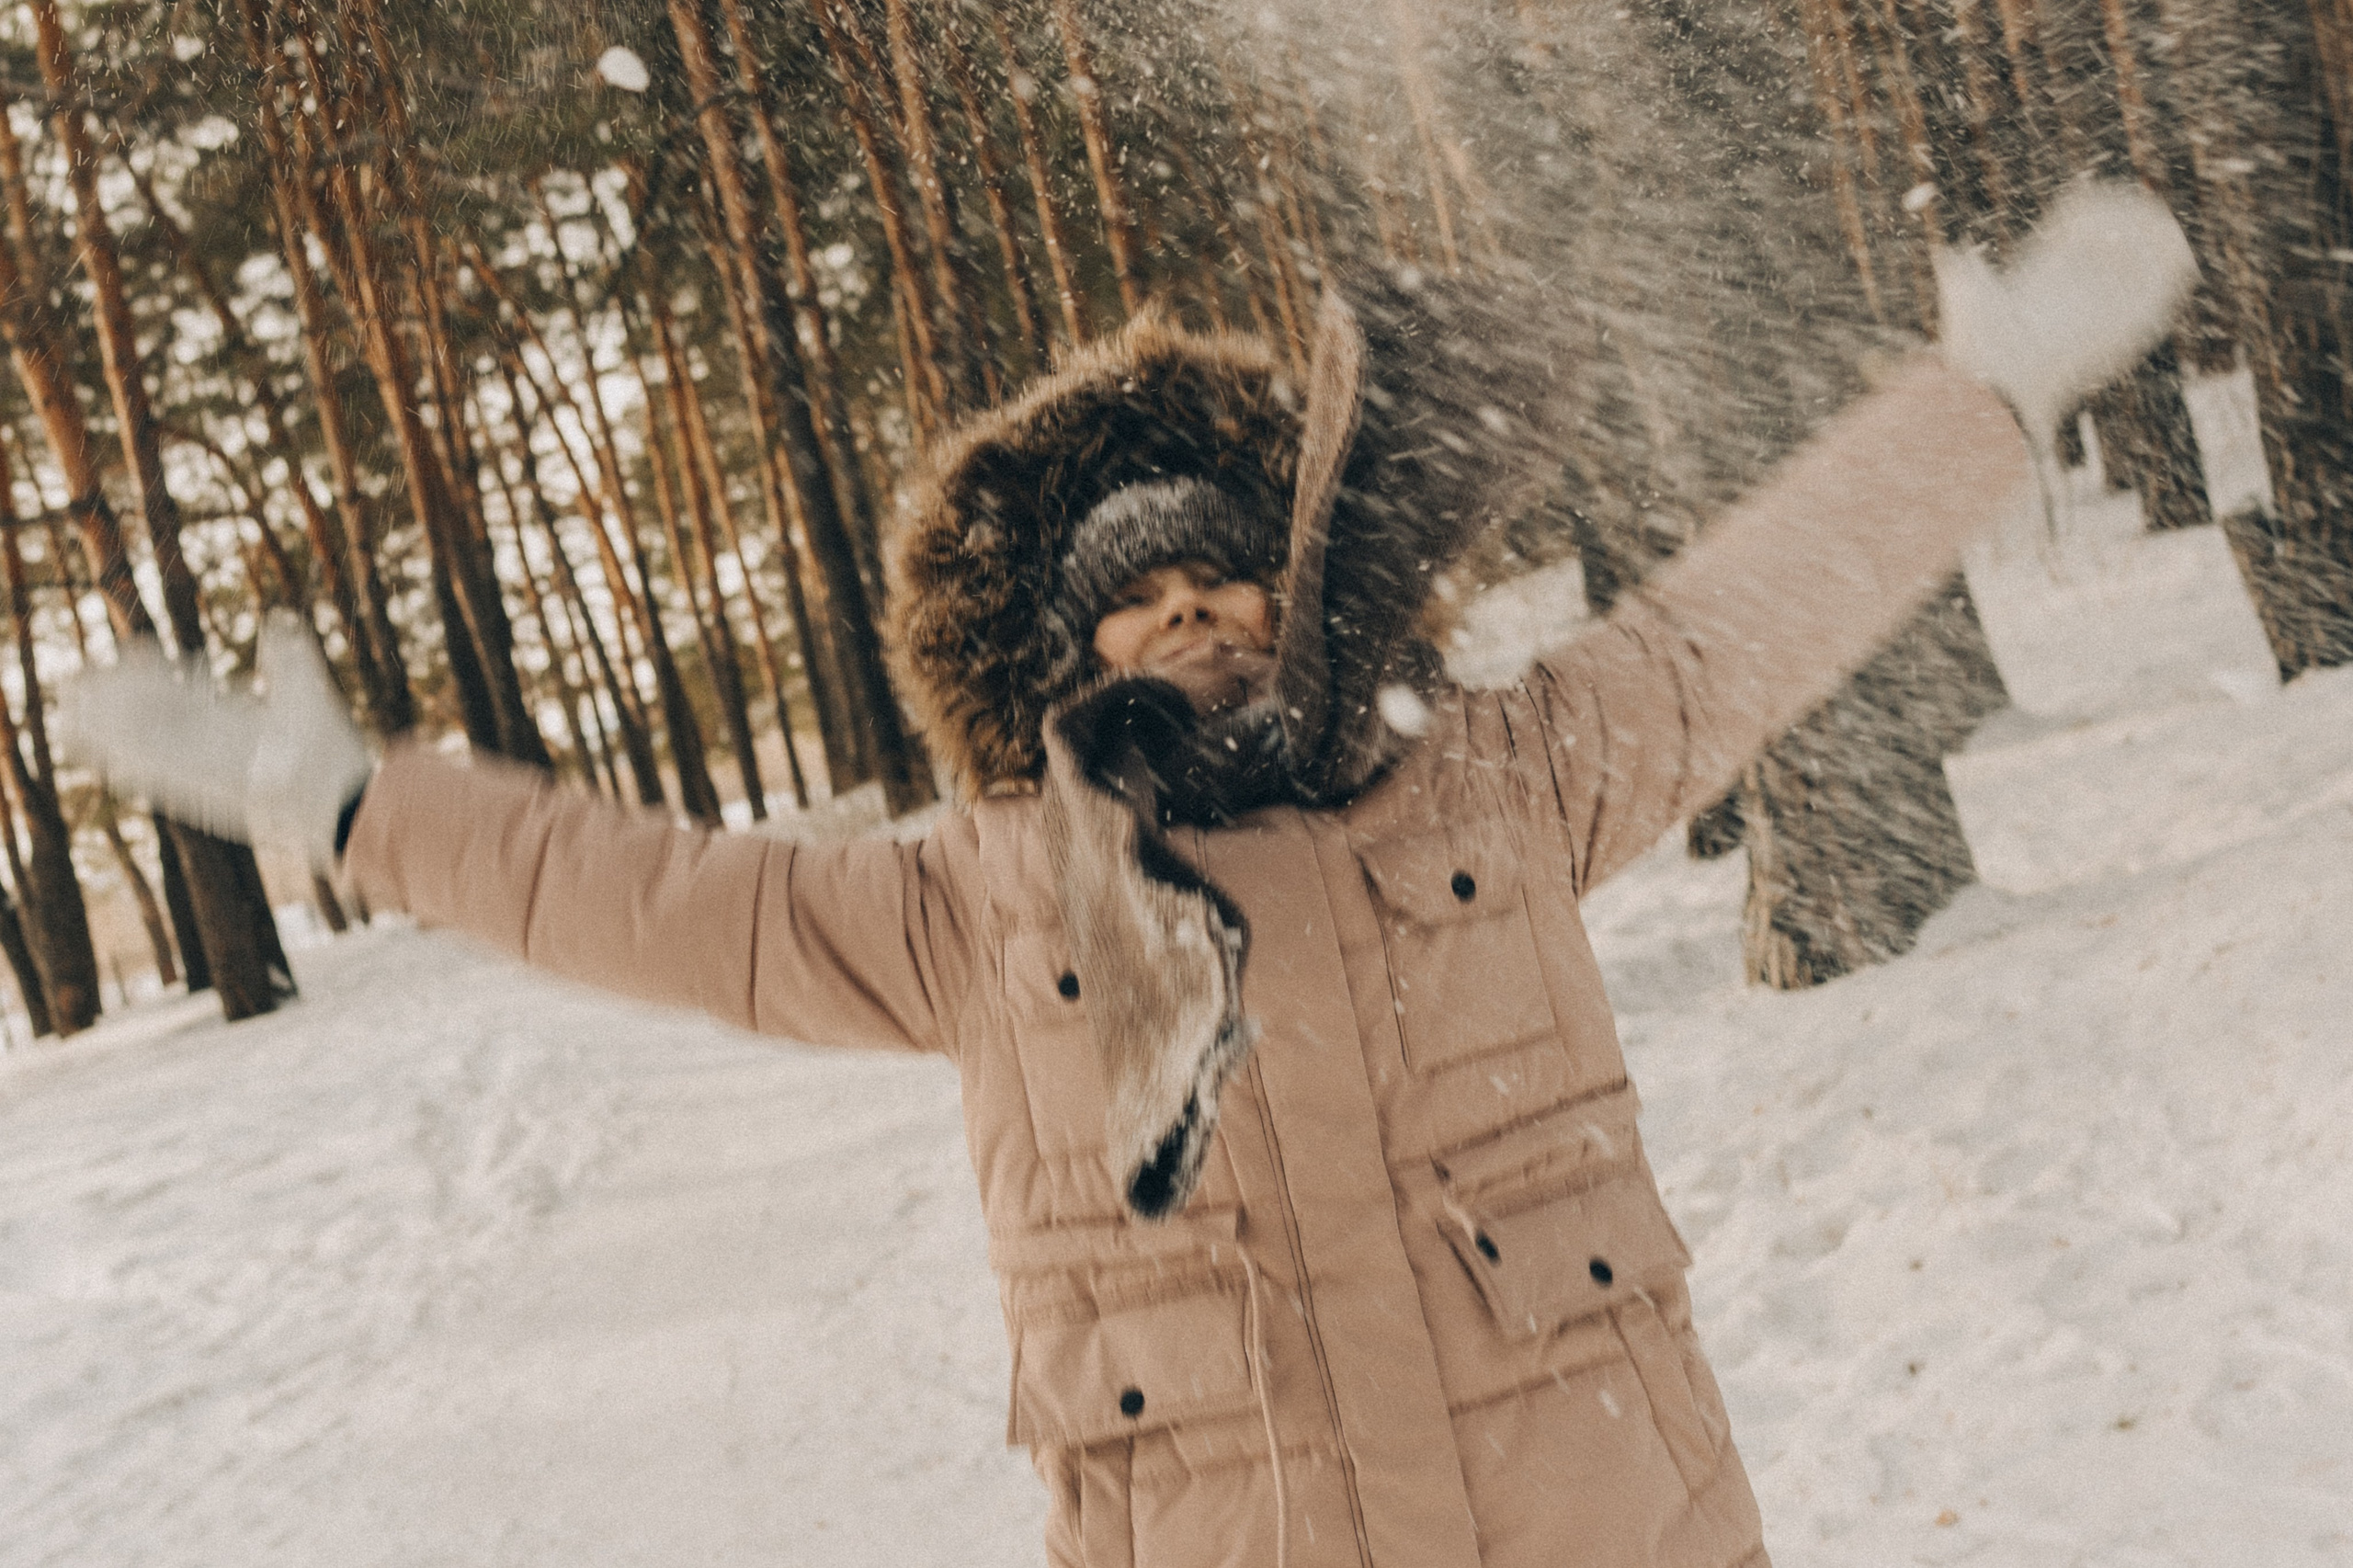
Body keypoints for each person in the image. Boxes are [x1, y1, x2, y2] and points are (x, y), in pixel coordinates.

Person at [64, 184, 2194, 1568]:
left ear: (1287, 587)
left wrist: (1977, 399)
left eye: (1216, 576)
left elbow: (1746, 615)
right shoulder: (982, 910)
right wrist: (358, 808)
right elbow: (657, 895)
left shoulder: (1500, 789)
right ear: (1054, 653)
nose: (1187, 617)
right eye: (1131, 598)